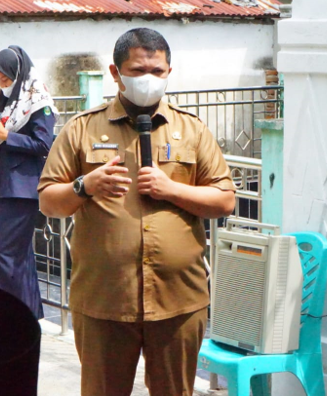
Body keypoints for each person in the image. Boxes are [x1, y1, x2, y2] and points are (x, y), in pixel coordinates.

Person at [38, 28, 236, 396]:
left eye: (157, 71)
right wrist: (86, 185)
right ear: (116, 73)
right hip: (104, 301)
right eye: (138, 70)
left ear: (169, 72)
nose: (148, 79)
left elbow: (225, 200)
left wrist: (171, 189)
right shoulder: (82, 128)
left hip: (178, 300)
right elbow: (48, 201)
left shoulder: (191, 129)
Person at [0, 46, 57, 320]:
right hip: (4, 183)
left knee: (1, 252)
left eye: (6, 79)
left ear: (18, 74)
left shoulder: (38, 101)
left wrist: (5, 136)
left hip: (22, 187)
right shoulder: (9, 101)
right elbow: (4, 135)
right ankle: (25, 316)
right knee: (18, 256)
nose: (3, 85)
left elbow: (43, 144)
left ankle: (9, 315)